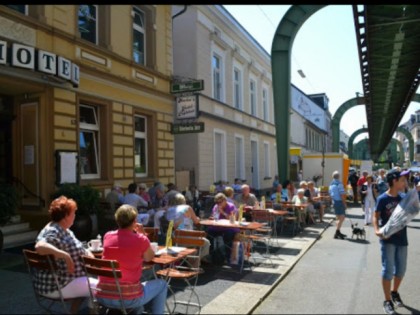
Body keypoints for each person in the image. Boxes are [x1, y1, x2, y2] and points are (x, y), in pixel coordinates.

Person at [97, 205, 168, 314]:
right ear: (135, 221)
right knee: (162, 284)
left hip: (103, 295)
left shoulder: (107, 236)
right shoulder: (140, 239)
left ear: (117, 220)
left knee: (136, 287)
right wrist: (142, 234)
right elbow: (149, 257)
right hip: (127, 298)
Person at [34, 196, 98, 313]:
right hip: (57, 285)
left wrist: (87, 252)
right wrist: (64, 255)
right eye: (73, 213)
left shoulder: (65, 230)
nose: (75, 216)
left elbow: (79, 246)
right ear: (65, 216)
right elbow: (39, 246)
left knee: (91, 282)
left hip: (68, 279)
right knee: (101, 287)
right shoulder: (53, 231)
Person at [372, 169, 408, 315]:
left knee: (400, 270)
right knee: (388, 270)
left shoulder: (404, 197)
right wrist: (376, 230)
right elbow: (375, 216)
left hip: (402, 239)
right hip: (387, 240)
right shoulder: (382, 199)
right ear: (394, 181)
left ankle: (394, 292)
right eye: (402, 180)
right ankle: (387, 301)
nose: (405, 182)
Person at [165, 193, 211, 261]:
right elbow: (196, 222)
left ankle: (190, 262)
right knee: (207, 243)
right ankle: (195, 261)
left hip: (174, 239)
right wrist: (198, 219)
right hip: (188, 238)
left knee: (194, 246)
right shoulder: (187, 208)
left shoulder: (168, 210)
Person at [207, 193, 240, 263]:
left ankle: (228, 256)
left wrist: (223, 212)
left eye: (220, 202)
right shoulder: (216, 206)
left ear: (225, 200)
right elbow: (214, 216)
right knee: (208, 232)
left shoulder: (231, 206)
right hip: (218, 227)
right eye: (217, 202)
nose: (218, 204)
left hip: (229, 227)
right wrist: (212, 218)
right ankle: (212, 255)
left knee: (228, 235)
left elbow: (233, 219)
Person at [329, 170, 347, 240]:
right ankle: (337, 232)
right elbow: (342, 194)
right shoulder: (339, 184)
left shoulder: (331, 184)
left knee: (338, 218)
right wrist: (345, 203)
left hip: (334, 201)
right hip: (339, 201)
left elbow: (330, 194)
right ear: (339, 176)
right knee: (342, 217)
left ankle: (338, 232)